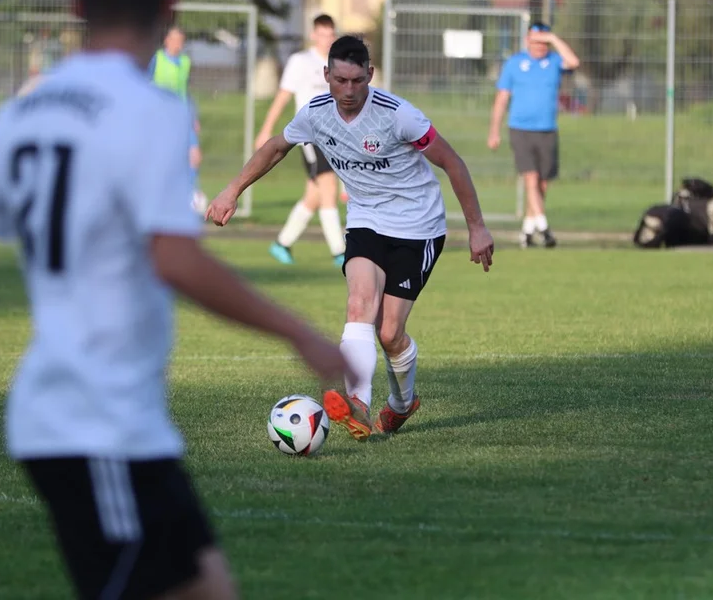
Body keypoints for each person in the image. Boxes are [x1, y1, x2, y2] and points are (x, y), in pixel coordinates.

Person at [0, 0, 350, 600]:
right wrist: (299, 332)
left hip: (118, 425)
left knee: (209, 587)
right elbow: (173, 258)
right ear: (170, 6)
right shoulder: (150, 109)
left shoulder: (26, 110)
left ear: (77, 3)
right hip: (92, 420)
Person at [207, 35, 494, 441]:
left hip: (418, 226)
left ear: (370, 75)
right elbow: (274, 148)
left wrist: (477, 226)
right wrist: (231, 190)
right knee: (359, 302)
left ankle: (401, 403)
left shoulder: (398, 115)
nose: (347, 90)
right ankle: (357, 401)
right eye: (339, 80)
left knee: (390, 334)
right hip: (365, 219)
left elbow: (452, 161)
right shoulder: (315, 113)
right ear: (326, 75)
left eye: (357, 80)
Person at [255, 14, 347, 267]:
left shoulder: (338, 63)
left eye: (331, 34)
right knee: (327, 188)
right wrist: (266, 130)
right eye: (322, 34)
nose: (327, 39)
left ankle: (282, 243)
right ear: (314, 34)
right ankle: (340, 251)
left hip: (335, 135)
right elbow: (283, 96)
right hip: (311, 135)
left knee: (314, 195)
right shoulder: (301, 61)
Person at [487, 22, 580, 249]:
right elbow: (501, 99)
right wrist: (494, 131)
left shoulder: (554, 62)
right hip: (520, 129)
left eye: (543, 42)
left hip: (547, 129)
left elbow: (574, 62)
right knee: (530, 177)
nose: (539, 46)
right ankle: (544, 228)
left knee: (542, 183)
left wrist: (555, 39)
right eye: (535, 41)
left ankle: (528, 231)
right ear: (527, 40)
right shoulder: (515, 63)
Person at [148, 25, 207, 212]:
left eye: (180, 41)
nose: (177, 44)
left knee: (194, 157)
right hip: (158, 120)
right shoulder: (156, 60)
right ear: (166, 40)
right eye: (174, 40)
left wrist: (193, 117)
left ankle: (190, 198)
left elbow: (185, 92)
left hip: (182, 118)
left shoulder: (185, 62)